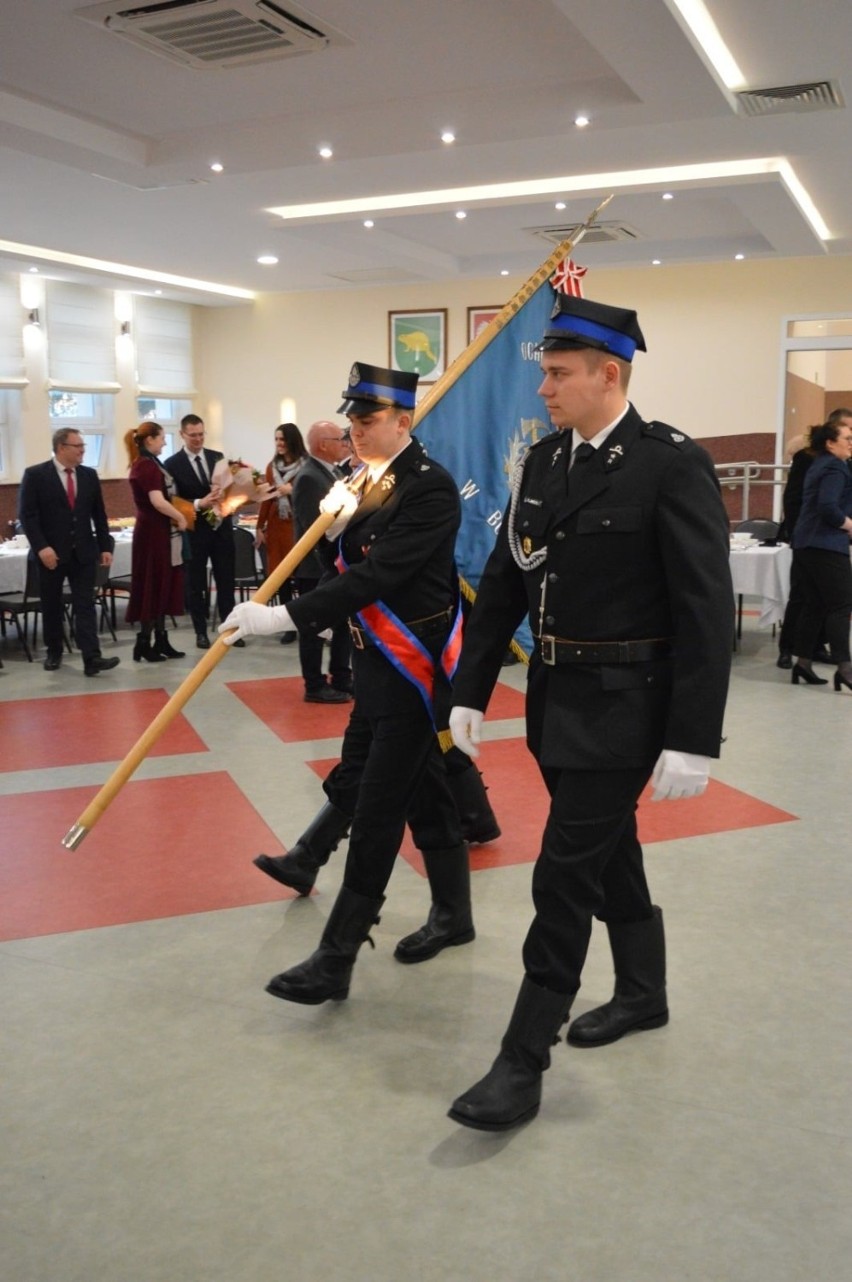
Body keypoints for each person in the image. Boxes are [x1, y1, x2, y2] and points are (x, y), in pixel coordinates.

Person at [445, 295, 733, 1132]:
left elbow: (705, 607)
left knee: (562, 876)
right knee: (610, 856)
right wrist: (470, 688)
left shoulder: (669, 463)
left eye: (559, 374)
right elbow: (507, 581)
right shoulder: (543, 463)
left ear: (611, 374)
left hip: (628, 711)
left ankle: (521, 1060)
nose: (544, 388)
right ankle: (644, 994)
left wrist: (691, 737)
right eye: (543, 373)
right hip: (555, 704)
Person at [220, 361, 472, 998]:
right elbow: (351, 559)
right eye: (352, 421)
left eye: (369, 420)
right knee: (420, 789)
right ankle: (455, 913)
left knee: (383, 803)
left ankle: (336, 957)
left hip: (414, 669)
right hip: (378, 668)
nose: (356, 431)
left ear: (403, 421)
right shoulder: (366, 480)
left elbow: (377, 576)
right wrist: (335, 532)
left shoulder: (429, 487)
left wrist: (283, 615)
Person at [18, 427, 120, 677]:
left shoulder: (88, 475)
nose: (83, 450)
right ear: (62, 448)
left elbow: (99, 514)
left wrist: (104, 546)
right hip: (51, 554)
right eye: (78, 446)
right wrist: (41, 547)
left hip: (83, 552)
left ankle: (91, 658)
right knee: (51, 604)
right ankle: (54, 651)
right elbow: (27, 516)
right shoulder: (36, 475)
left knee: (85, 604)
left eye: (83, 446)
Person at [776, 408, 852, 668]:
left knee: (816, 602)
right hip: (820, 540)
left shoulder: (831, 462)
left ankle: (806, 659)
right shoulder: (827, 463)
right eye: (848, 434)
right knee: (833, 602)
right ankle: (841, 666)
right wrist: (847, 524)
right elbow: (820, 504)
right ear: (831, 436)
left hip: (813, 540)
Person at [164, 413, 243, 649]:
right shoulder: (172, 464)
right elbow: (173, 502)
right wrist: (200, 503)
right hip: (195, 531)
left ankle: (230, 630)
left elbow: (232, 490)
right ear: (182, 435)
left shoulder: (217, 457)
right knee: (195, 583)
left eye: (201, 434)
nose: (198, 439)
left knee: (226, 581)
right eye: (193, 435)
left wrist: (228, 495)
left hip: (221, 529)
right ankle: (200, 632)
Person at [289, 419, 353, 702]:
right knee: (313, 626)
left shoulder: (333, 471)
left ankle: (341, 676)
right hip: (316, 566)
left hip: (334, 564)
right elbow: (315, 528)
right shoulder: (309, 477)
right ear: (323, 445)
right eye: (340, 439)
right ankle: (314, 685)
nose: (345, 444)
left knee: (342, 623)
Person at [123, 422, 188, 661]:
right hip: (152, 534)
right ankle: (144, 641)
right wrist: (180, 516)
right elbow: (157, 501)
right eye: (161, 438)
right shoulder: (146, 467)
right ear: (149, 440)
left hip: (160, 532)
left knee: (163, 584)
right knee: (152, 584)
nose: (163, 442)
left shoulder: (151, 464)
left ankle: (160, 639)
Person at [255, 422, 307, 644]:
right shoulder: (271, 467)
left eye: (283, 440)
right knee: (281, 578)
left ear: (292, 441)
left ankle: (305, 621)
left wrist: (292, 490)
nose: (279, 444)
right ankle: (288, 626)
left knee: (303, 577)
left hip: (297, 526)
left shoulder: (306, 465)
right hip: (277, 527)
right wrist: (259, 526)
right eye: (276, 439)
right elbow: (267, 500)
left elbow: (310, 497)